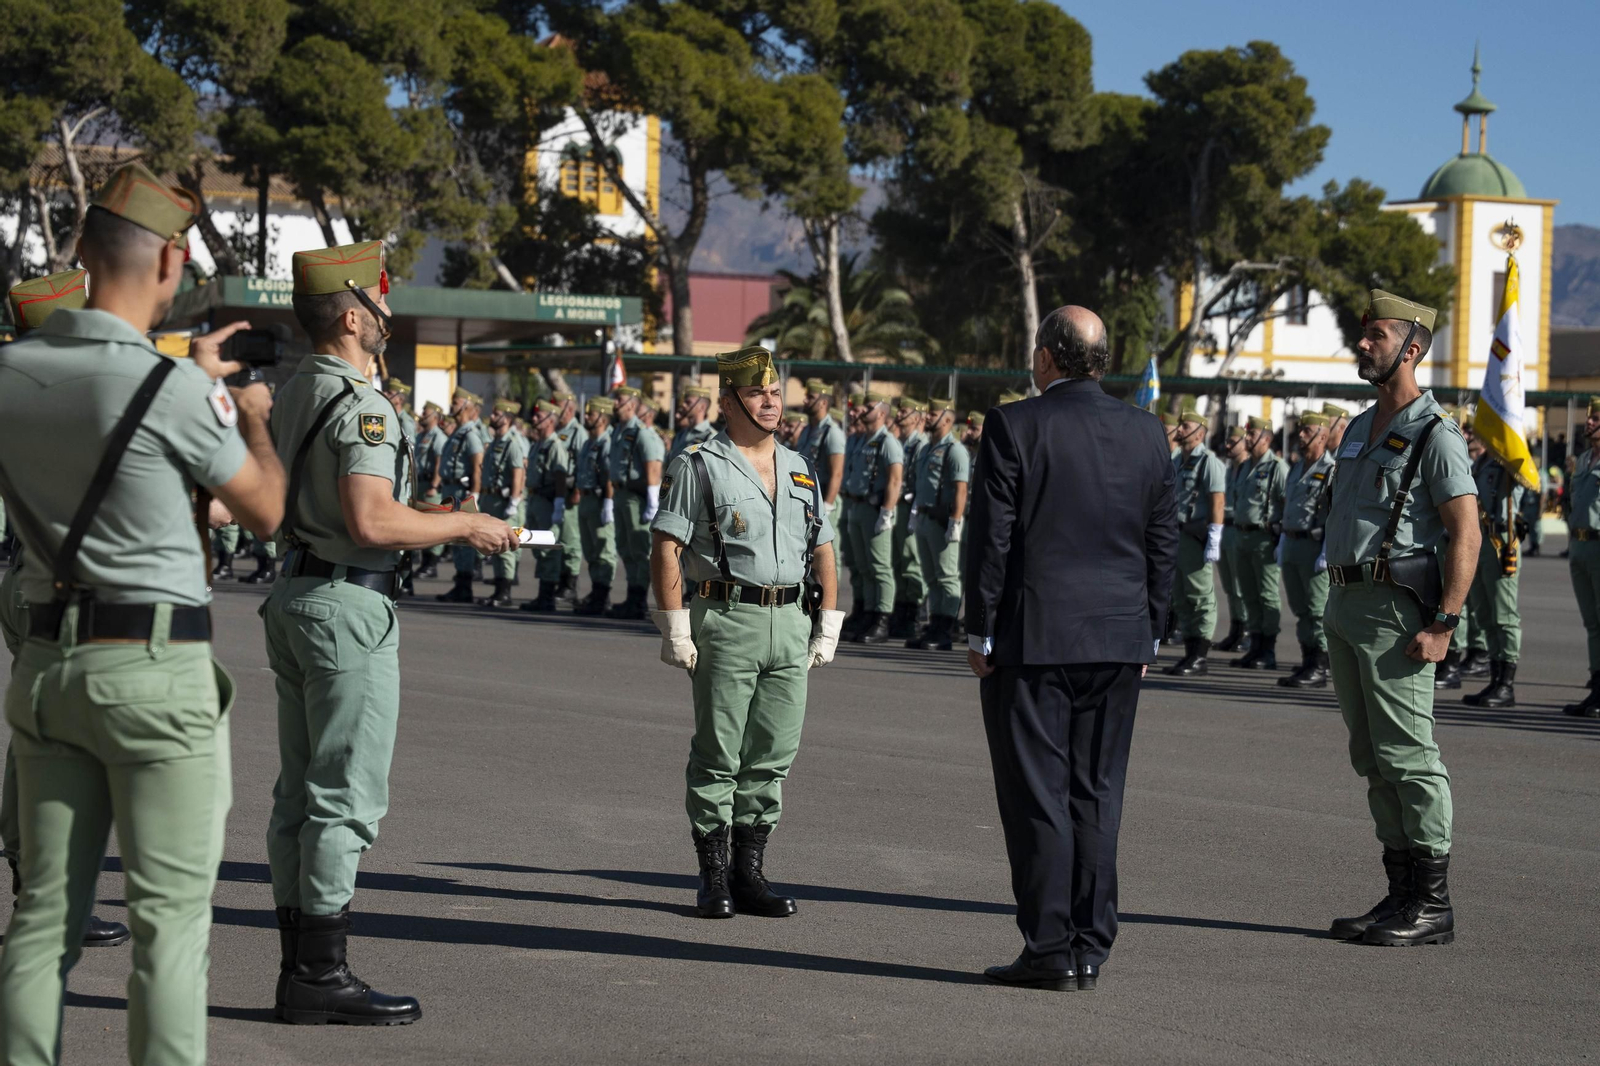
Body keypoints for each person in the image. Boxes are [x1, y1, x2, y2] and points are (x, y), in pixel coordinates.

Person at [0, 161, 286, 1065]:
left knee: (43, 921)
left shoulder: (8, 373)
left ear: (82, 255)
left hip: (47, 668)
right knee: (168, 926)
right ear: (171, 261)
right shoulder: (171, 390)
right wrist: (247, 416)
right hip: (154, 672)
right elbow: (266, 510)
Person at [263, 240, 515, 1025]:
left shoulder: (294, 390)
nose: (388, 316)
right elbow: (371, 520)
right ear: (349, 315)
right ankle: (320, 974)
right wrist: (463, 522)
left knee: (298, 797)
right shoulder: (364, 404)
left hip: (299, 592)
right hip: (347, 606)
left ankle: (298, 964)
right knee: (344, 799)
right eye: (378, 304)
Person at [965, 305, 1177, 992]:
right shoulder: (1147, 431)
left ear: (1049, 358)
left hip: (1035, 636)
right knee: (1097, 792)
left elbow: (991, 537)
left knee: (1038, 796)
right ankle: (1090, 941)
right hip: (1118, 637)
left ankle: (1051, 946)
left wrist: (979, 625)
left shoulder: (1015, 423)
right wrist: (1150, 627)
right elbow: (1161, 541)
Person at [648, 345, 842, 919]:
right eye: (757, 394)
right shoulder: (699, 465)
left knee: (773, 754)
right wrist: (676, 626)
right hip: (727, 618)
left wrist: (828, 622)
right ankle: (712, 877)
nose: (770, 403)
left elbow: (824, 548)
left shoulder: (800, 466)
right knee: (718, 753)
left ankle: (749, 870)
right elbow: (667, 547)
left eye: (776, 393)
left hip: (790, 620)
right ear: (727, 401)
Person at [1323, 290, 1476, 948]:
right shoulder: (1359, 428)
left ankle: (1433, 903)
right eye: (1363, 335)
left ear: (1411, 348)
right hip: (1345, 603)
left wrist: (1444, 623)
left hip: (1397, 613)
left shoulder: (1435, 435)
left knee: (1410, 756)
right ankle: (1399, 893)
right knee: (1373, 758)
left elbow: (1465, 533)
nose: (1363, 344)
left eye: (1376, 336)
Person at [1, 268, 131, 952]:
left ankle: (40, 891)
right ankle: (45, 896)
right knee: (51, 743)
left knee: (39, 736)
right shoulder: (60, 402)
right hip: (50, 586)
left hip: (28, 580)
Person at [1460, 446, 1525, 708]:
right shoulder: (1480, 462)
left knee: (1504, 616)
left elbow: (1528, 479)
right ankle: (1496, 678)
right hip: (1480, 541)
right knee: (1484, 613)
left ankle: (1507, 684)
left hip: (1501, 542)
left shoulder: (1510, 457)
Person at [1277, 412, 1335, 688]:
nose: (1300, 435)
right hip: (1292, 544)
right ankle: (1306, 660)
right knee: (1300, 609)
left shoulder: (1331, 469)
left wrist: (1327, 550)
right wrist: (1282, 542)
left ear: (1322, 437)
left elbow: (1334, 515)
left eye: (1307, 431)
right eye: (1300, 430)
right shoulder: (1296, 468)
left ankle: (1320, 667)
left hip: (1314, 548)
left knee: (1316, 610)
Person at [841, 391, 903, 643]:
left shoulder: (887, 442)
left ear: (881, 412)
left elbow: (895, 479)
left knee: (880, 567)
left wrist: (887, 512)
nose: (862, 410)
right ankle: (867, 612)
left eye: (868, 406)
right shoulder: (862, 440)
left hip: (876, 509)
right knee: (863, 566)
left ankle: (882, 618)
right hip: (857, 506)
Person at [907, 398, 969, 650]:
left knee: (947, 577)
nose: (927, 417)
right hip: (923, 517)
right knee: (931, 577)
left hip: (942, 520)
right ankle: (935, 623)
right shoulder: (926, 447)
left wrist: (955, 522)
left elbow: (960, 489)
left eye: (932, 413)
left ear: (947, 419)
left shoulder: (955, 450)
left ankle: (946, 627)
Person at [1167, 410, 1225, 676]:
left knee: (1201, 597)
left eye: (1185, 426)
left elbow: (1217, 501)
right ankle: (1189, 652)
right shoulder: (1179, 459)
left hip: (1195, 536)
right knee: (1181, 596)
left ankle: (1200, 655)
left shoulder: (1208, 461)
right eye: (1179, 425)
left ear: (1200, 433)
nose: (1179, 430)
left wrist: (1215, 537)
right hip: (1177, 535)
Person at [1229, 416, 1286, 670]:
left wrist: (1280, 539)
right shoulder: (1244, 466)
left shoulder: (1277, 467)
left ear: (1267, 438)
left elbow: (1286, 503)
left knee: (1266, 595)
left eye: (1252, 435)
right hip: (1242, 536)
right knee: (1249, 595)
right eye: (1247, 435)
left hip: (1264, 539)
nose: (1247, 439)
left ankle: (1268, 650)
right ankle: (1254, 646)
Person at [607, 385, 664, 619]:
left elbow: (653, 466)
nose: (615, 404)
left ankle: (639, 598)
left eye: (619, 399)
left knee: (639, 548)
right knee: (625, 547)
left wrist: (652, 501)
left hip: (635, 497)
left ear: (631, 403)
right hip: (621, 494)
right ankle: (632, 594)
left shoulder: (641, 432)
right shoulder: (619, 431)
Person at [1564, 397, 1600, 717]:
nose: (1589, 423)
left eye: (1596, 418)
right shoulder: (1585, 458)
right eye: (1589, 418)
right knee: (1591, 622)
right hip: (1580, 546)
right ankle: (1596, 685)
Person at [520, 400, 573, 612]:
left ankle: (548, 596)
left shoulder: (554, 445)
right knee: (538, 549)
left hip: (547, 501)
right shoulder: (537, 444)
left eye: (538, 415)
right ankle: (543, 593)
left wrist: (559, 504)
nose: (534, 419)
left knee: (548, 549)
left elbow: (560, 475)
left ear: (550, 420)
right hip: (534, 500)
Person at [434, 388, 487, 602]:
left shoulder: (470, 434)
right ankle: (460, 584)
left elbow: (477, 465)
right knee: (454, 537)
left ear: (467, 406)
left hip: (461, 491)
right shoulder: (458, 432)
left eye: (456, 402)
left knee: (464, 538)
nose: (452, 405)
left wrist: (474, 493)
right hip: (450, 490)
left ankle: (465, 585)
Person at [478, 398, 528, 607]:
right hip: (491, 499)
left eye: (498, 414)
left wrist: (514, 501)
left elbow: (518, 474)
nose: (493, 416)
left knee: (506, 547)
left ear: (507, 418)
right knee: (496, 545)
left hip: (504, 500)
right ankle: (498, 588)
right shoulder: (495, 442)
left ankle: (505, 591)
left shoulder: (512, 444)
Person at [574, 396, 618, 615]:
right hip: (586, 499)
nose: (587, 417)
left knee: (603, 550)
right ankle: (596, 591)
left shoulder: (607, 442)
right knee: (591, 551)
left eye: (591, 413)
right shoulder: (588, 442)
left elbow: (609, 476)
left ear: (602, 418)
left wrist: (608, 503)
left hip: (600, 500)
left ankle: (602, 595)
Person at [889, 398, 928, 639]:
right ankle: (902, 607)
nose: (899, 415)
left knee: (912, 560)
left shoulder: (920, 444)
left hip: (911, 506)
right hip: (899, 507)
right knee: (899, 559)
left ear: (916, 417)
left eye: (904, 411)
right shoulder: (902, 443)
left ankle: (916, 612)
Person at [1215, 426, 1250, 653]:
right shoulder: (1229, 469)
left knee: (1240, 586)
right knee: (1229, 586)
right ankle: (1235, 629)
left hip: (1239, 529)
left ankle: (1246, 631)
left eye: (1233, 441)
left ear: (1245, 443)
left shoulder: (1250, 469)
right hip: (1226, 529)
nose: (1228, 445)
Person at [413, 401, 449, 578]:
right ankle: (425, 561)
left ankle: (431, 563)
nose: (421, 414)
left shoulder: (438, 436)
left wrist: (435, 485)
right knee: (420, 525)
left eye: (425, 411)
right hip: (419, 484)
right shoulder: (422, 435)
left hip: (430, 485)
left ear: (434, 415)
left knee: (432, 523)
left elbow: (439, 461)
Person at [669, 385, 717, 462]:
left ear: (702, 407)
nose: (683, 405)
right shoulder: (680, 435)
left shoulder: (711, 437)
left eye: (688, 402)